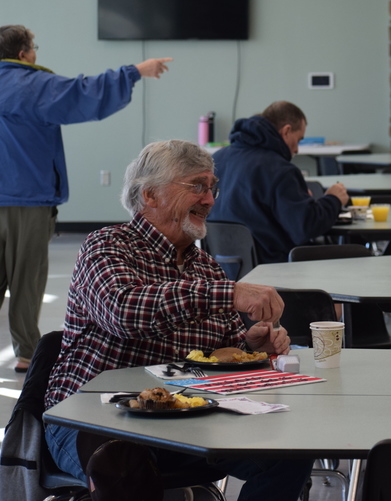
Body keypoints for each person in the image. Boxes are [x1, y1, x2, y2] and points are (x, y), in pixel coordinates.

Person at [43, 140, 313, 500]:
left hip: (185, 417)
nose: (210, 200)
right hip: (94, 417)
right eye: (197, 186)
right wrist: (228, 293)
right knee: (122, 463)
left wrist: (251, 346)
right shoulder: (107, 246)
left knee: (289, 451)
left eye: (212, 188)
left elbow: (222, 351)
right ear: (150, 194)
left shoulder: (206, 268)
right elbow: (123, 311)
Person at [0, 24, 172, 373]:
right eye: (34, 48)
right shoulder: (27, 83)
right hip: (24, 199)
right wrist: (136, 71)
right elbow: (82, 93)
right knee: (26, 279)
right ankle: (27, 352)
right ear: (23, 54)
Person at [209, 101, 349, 263]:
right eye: (299, 140)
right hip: (272, 266)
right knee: (353, 254)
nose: (297, 149)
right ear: (286, 131)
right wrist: (333, 199)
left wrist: (300, 199)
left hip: (223, 267)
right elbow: (305, 227)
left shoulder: (216, 160)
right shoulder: (279, 170)